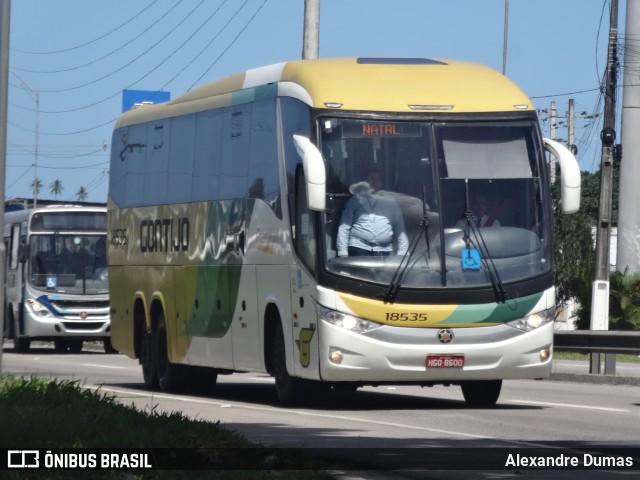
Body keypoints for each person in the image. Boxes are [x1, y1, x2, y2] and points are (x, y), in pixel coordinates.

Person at [336, 169, 409, 257]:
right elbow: (344, 226)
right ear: (366, 181)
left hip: (384, 251)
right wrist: (342, 252)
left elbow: (400, 229)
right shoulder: (355, 200)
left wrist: (403, 252)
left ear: (382, 182)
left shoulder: (391, 202)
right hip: (359, 248)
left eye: (378, 179)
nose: (375, 181)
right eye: (371, 178)